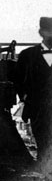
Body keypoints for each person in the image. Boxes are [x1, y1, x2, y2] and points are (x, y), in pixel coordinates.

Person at [15, 16, 52, 162]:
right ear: (41, 33)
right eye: (50, 32)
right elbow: (18, 79)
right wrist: (24, 99)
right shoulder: (27, 55)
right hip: (37, 107)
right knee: (41, 139)